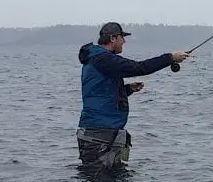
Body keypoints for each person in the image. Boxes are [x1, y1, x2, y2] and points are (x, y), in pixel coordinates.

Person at [75, 22, 191, 170]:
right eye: (122, 37)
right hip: (98, 136)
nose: (124, 41)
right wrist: (170, 58)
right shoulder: (103, 58)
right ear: (112, 39)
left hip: (104, 133)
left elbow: (102, 92)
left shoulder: (99, 59)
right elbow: (139, 67)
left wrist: (127, 89)